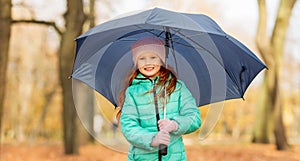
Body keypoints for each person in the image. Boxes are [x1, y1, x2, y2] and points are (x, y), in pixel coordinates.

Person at [117, 37, 202, 161]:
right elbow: (128, 126)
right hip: (141, 158)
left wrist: (175, 125)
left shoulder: (177, 87)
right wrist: (152, 139)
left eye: (153, 57)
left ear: (161, 60)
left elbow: (194, 117)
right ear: (136, 63)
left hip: (174, 157)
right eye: (142, 58)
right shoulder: (133, 92)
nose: (148, 62)